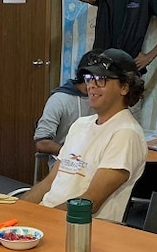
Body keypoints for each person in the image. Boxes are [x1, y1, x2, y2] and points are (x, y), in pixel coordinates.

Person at [22, 48, 147, 222]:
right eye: (89, 78)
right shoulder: (80, 125)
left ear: (124, 87)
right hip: (50, 219)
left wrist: (39, 219)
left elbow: (90, 202)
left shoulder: (126, 134)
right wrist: (19, 210)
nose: (91, 85)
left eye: (101, 79)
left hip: (82, 230)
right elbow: (50, 181)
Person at [34, 50, 102, 159]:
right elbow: (42, 142)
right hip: (66, 162)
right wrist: (70, 153)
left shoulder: (106, 100)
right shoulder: (60, 99)